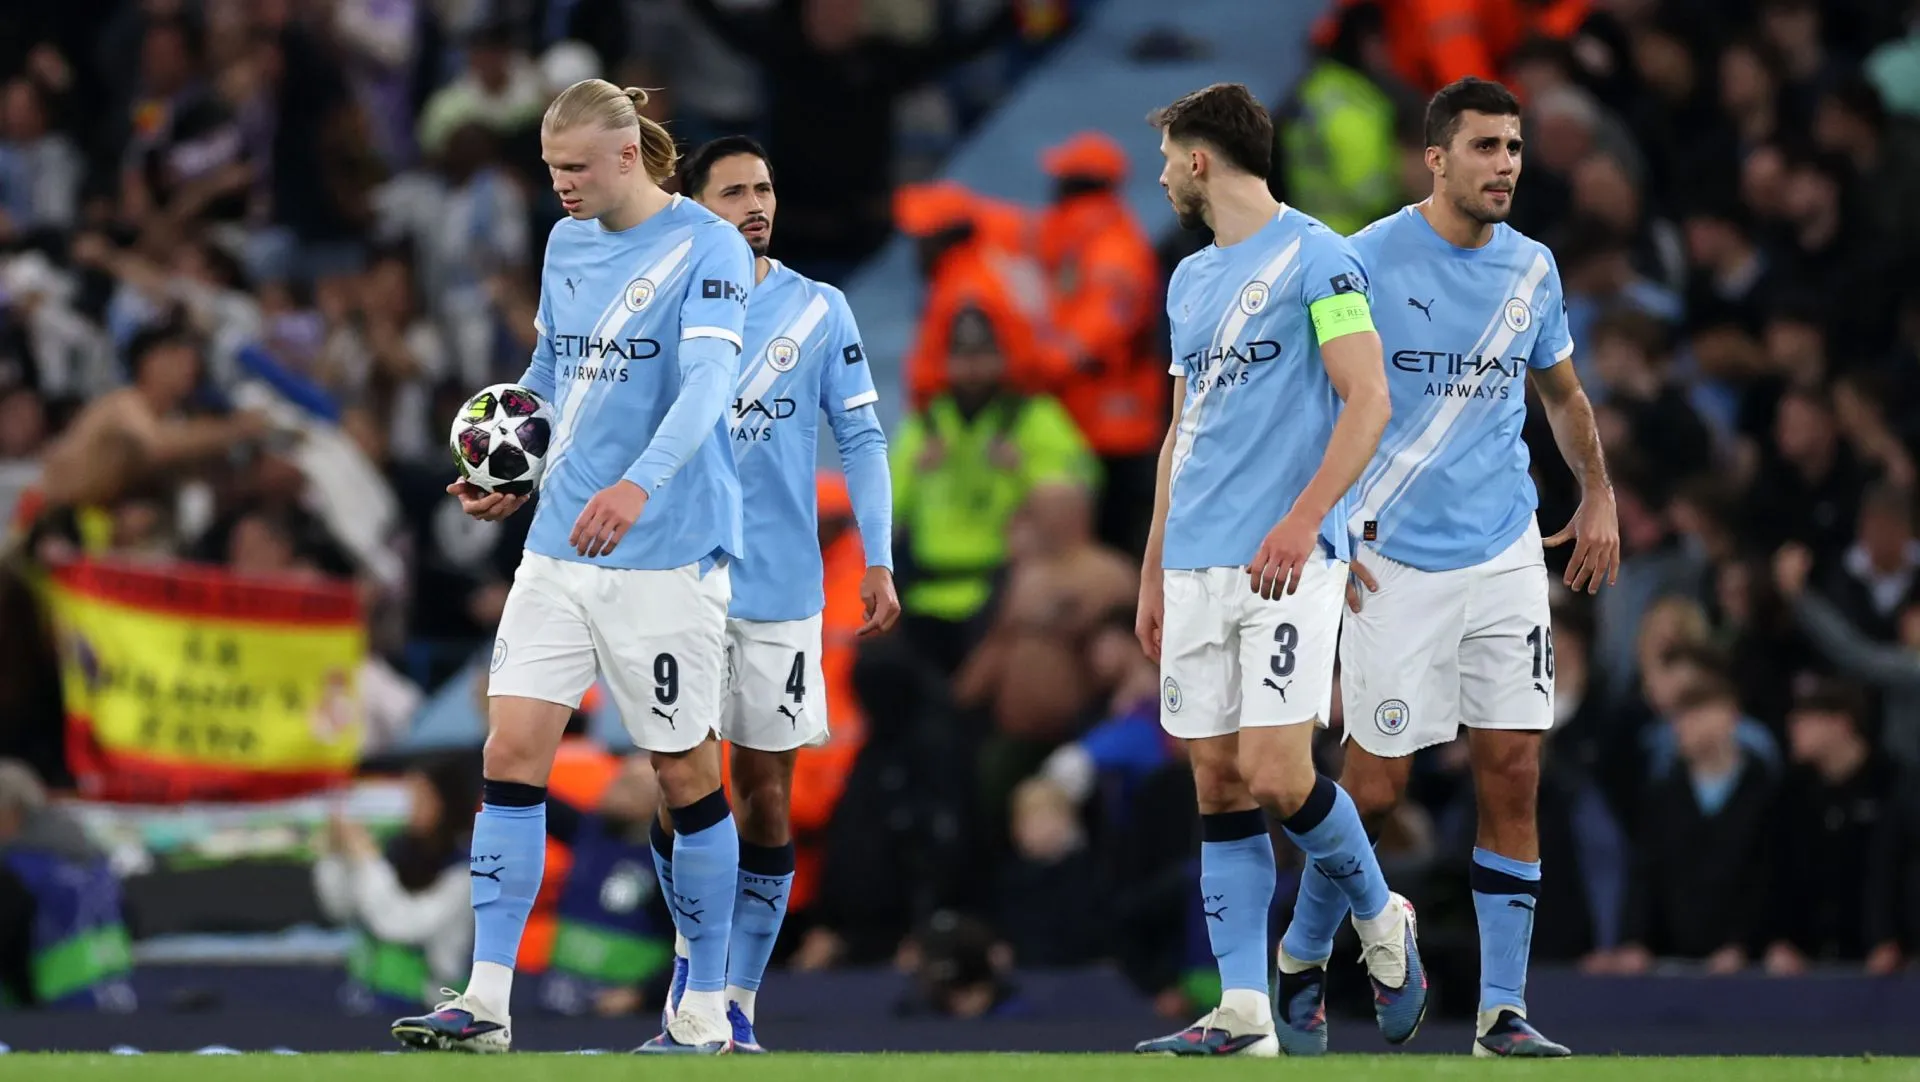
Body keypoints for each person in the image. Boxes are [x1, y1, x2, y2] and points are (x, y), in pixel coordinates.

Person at [389, 78, 753, 1056]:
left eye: (577, 169)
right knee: (509, 753)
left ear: (629, 156)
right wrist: (510, 466)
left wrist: (637, 485)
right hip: (557, 544)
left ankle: (705, 1002)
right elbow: (552, 372)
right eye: (552, 171)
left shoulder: (707, 246)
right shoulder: (567, 243)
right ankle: (488, 998)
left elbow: (712, 380)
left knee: (684, 772)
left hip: (666, 549)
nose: (562, 187)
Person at [1276, 77, 1618, 1059]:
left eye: (1513, 147)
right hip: (1391, 555)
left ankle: (1501, 1011)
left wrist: (1596, 490)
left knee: (1512, 766)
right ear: (1436, 158)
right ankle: (1303, 952)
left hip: (1506, 549)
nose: (1505, 164)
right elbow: (1318, 403)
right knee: (1375, 791)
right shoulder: (1365, 259)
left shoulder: (1534, 268)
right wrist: (1324, 533)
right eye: (1485, 147)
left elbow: (1562, 393)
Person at [1131, 82, 1421, 1057]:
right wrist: (1151, 566)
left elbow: (1368, 398)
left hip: (1286, 558)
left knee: (1274, 768)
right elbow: (1183, 433)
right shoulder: (1189, 280)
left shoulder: (1319, 256)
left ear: (1203, 159)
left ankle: (1382, 919)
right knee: (1216, 780)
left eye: (1170, 154)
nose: (1164, 172)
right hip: (1197, 560)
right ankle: (1245, 1011)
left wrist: (1305, 522)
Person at [650, 135, 900, 1054]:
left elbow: (864, 441)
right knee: (679, 790)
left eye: (764, 187)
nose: (756, 205)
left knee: (762, 799)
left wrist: (876, 556)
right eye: (733, 192)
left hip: (783, 592)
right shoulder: (667, 309)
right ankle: (693, 987)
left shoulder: (820, 310)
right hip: (676, 581)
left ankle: (738, 1003)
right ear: (695, 207)